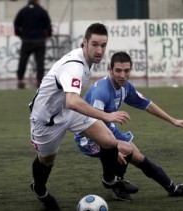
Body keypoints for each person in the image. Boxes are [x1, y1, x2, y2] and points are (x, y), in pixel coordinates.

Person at [29, 23, 135, 211]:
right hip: (48, 120)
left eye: (103, 45)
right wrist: (106, 116)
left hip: (69, 111)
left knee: (109, 141)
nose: (99, 50)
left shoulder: (87, 61)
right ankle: (39, 190)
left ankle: (110, 181)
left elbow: (71, 103)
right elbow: (72, 101)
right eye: (95, 44)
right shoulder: (74, 66)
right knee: (46, 161)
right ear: (84, 43)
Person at [75, 51, 183, 201]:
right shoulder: (101, 92)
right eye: (118, 71)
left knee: (138, 156)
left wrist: (172, 120)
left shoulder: (125, 87)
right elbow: (93, 123)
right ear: (110, 70)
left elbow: (146, 104)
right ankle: (112, 182)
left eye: (126, 71)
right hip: (87, 135)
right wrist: (113, 151)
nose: (122, 75)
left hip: (106, 128)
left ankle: (173, 189)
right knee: (126, 149)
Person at [14, 0, 52, 89]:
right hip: (39, 40)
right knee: (40, 61)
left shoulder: (22, 11)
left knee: (23, 60)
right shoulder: (42, 11)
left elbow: (16, 25)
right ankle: (39, 79)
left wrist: (20, 35)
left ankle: (20, 78)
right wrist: (48, 36)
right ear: (37, 1)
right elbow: (48, 26)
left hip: (26, 40)